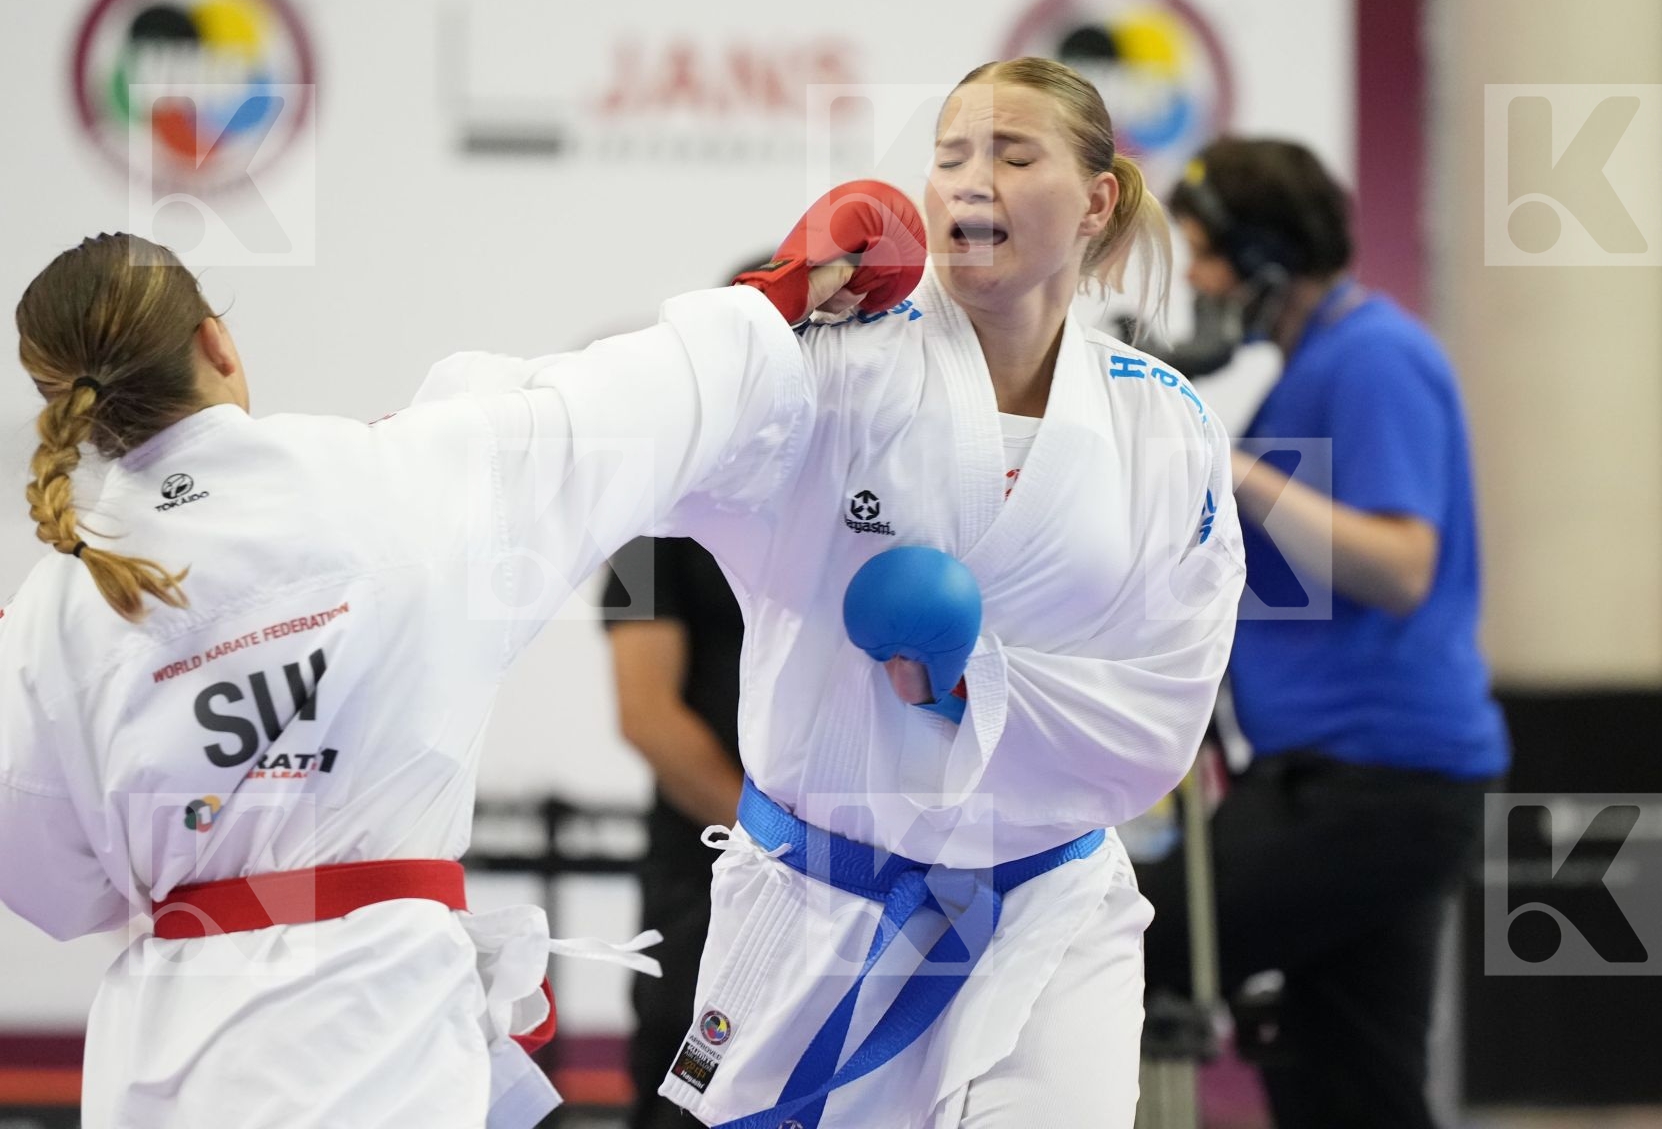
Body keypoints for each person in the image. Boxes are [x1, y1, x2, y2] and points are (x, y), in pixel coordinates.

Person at [0, 219, 916, 1128]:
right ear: (216, 343)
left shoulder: (50, 618)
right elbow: (627, 402)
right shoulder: (401, 478)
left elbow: (56, 890)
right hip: (383, 1037)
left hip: (171, 1061)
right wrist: (781, 295)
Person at [639, 57, 1245, 1129]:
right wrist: (767, 311)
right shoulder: (836, 369)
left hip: (1046, 910)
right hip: (825, 902)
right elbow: (645, 438)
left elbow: (1167, 704)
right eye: (951, 154)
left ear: (1095, 199)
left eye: (1012, 155)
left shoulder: (1164, 422)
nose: (971, 179)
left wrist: (971, 683)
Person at [1168, 138, 1509, 1129]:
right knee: (1348, 1088)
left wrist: (1229, 468)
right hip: (1349, 778)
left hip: (1371, 783)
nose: (1195, 281)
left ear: (1267, 259)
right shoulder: (1310, 368)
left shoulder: (1375, 359)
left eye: (1206, 255)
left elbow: (1400, 567)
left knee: (1135, 939)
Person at [603, 532, 747, 1129]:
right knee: (685, 1104)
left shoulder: (839, 511)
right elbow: (646, 716)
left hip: (851, 882)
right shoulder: (643, 537)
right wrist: (787, 852)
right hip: (704, 892)